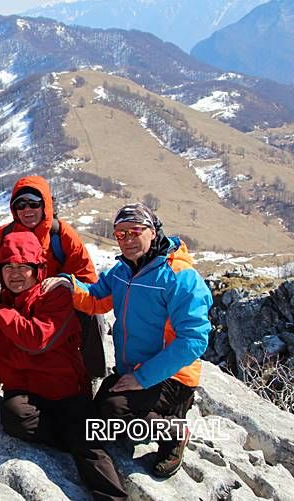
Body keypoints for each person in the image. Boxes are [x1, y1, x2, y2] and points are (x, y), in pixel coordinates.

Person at [0, 230, 127, 500]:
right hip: (26, 394)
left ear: (38, 270)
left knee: (89, 447)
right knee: (14, 416)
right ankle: (70, 438)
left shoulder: (54, 297)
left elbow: (35, 339)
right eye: (8, 267)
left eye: (23, 267)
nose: (15, 274)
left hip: (65, 391)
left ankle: (114, 496)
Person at [45, 202, 212, 478]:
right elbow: (97, 298)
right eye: (120, 234)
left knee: (113, 412)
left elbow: (193, 340)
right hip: (132, 371)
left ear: (153, 231)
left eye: (134, 231)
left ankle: (173, 431)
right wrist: (70, 284)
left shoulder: (180, 277)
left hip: (173, 377)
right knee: (98, 414)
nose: (127, 240)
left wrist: (143, 378)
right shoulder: (122, 272)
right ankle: (155, 414)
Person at [0, 175, 106, 378]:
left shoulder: (63, 236)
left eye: (34, 203)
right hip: (18, 303)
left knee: (91, 313)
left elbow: (88, 283)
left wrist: (66, 283)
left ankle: (92, 374)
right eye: (20, 205)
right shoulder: (3, 237)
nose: (27, 210)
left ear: (46, 205)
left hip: (56, 307)